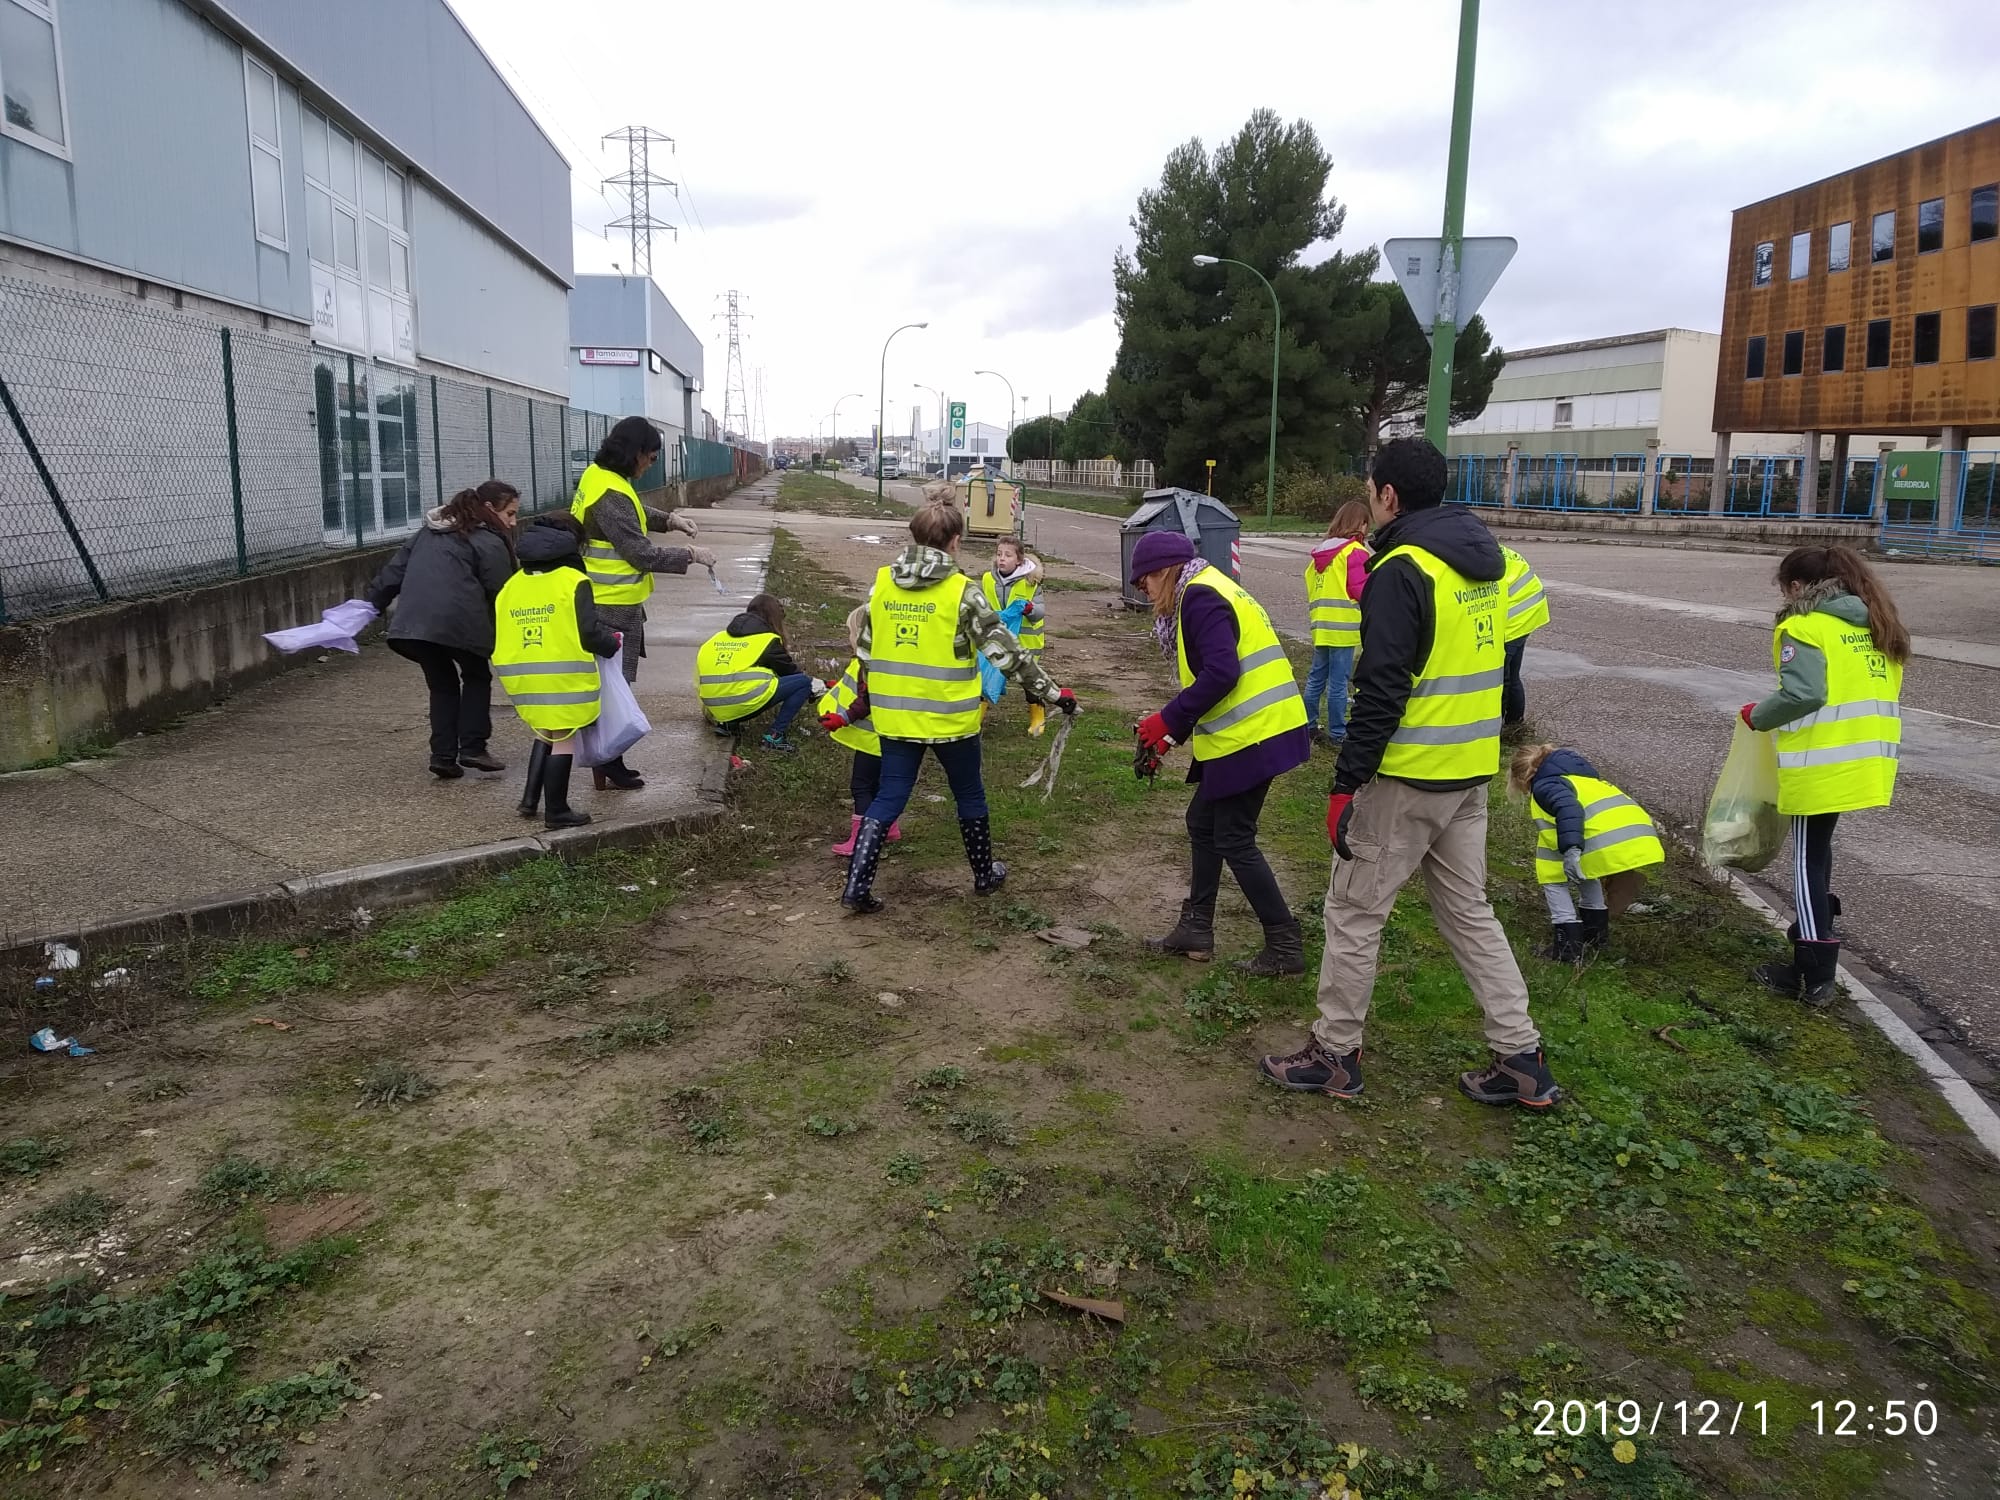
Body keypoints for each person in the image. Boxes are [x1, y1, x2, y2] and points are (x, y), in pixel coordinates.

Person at [1258, 437, 1562, 1109]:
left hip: (1407, 777)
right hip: (1468, 775)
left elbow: (1383, 689)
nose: (1369, 499)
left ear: (1389, 495)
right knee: (1468, 914)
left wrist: (1346, 783)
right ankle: (1521, 1057)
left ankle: (1335, 1055)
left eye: (1371, 488)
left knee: (1354, 913)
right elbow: (1508, 671)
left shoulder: (1404, 569)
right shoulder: (1487, 563)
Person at [839, 501, 1077, 915]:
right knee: (968, 792)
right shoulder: (962, 592)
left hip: (895, 715)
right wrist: (1054, 694)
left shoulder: (882, 585)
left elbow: (864, 650)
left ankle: (856, 886)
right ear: (955, 541)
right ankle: (984, 874)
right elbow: (1008, 655)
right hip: (952, 719)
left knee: (890, 794)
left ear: (915, 537)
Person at [1133, 533, 1311, 974]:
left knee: (1233, 836)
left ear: (1163, 572)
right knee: (1203, 823)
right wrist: (1174, 734)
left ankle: (1285, 945)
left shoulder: (1199, 599)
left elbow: (1221, 673)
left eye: (1144, 583)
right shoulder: (1207, 586)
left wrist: (1168, 720)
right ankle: (1196, 927)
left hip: (1254, 734)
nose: (1144, 592)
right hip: (1252, 731)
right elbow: (1213, 678)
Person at [1740, 544, 1908, 1007]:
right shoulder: (1877, 626)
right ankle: (1810, 948)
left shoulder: (1805, 627)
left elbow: (1804, 694)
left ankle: (1815, 972)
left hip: (1821, 763)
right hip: (1867, 761)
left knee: (1805, 863)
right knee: (1817, 856)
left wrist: (1759, 715)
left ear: (1797, 587)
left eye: (1785, 588)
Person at [572, 415, 716, 789]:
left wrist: (670, 520)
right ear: (635, 453)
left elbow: (632, 514)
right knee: (614, 689)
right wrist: (689, 555)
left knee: (613, 686)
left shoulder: (600, 478)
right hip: (610, 604)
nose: (651, 465)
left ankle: (609, 760)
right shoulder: (610, 492)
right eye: (651, 457)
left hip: (613, 600)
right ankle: (608, 760)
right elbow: (638, 552)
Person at [366, 481, 520, 780]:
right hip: (459, 624)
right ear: (489, 509)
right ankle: (473, 747)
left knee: (442, 685)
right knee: (476, 675)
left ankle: (443, 756)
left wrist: (368, 608)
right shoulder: (488, 540)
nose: (513, 522)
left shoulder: (427, 532)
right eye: (510, 513)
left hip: (413, 626)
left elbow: (392, 573)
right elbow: (502, 592)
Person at [493, 515, 623, 830]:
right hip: (564, 675)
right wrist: (611, 645)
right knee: (564, 738)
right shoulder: (572, 581)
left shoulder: (512, 585)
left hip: (521, 677)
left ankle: (529, 801)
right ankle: (557, 810)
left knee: (546, 733)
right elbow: (589, 633)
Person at [1508, 743, 1664, 962]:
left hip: (1606, 840)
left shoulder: (1545, 785)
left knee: (1554, 883)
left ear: (1522, 778)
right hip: (1634, 835)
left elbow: (1569, 810)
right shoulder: (1584, 780)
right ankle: (1595, 940)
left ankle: (1567, 950)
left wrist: (1572, 849)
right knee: (1586, 872)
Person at [818, 605, 902, 855]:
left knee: (861, 786)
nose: (848, 638)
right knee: (881, 785)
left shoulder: (868, 662)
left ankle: (861, 839)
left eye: (850, 633)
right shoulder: (890, 658)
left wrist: (842, 718)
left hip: (870, 738)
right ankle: (889, 827)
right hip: (890, 735)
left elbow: (867, 699)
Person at [694, 592, 814, 752]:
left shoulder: (717, 638)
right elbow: (791, 674)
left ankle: (728, 724)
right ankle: (775, 736)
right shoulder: (766, 640)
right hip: (739, 702)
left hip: (714, 708)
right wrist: (816, 687)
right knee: (803, 683)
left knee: (736, 679)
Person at [1303, 499, 1371, 748]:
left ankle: (1309, 726)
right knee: (1339, 682)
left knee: (1316, 677)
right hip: (1344, 627)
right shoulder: (1355, 552)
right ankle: (1337, 732)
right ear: (1360, 524)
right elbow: (1361, 589)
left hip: (1321, 625)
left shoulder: (1320, 552)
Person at [981, 537, 1048, 735]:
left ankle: (1038, 717)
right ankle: (975, 718)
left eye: (1008, 555)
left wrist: (1030, 609)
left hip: (1025, 643)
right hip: (995, 640)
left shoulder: (1031, 582)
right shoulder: (987, 579)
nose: (1002, 559)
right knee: (984, 679)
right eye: (999, 554)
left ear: (1019, 560)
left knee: (1028, 682)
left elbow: (1040, 611)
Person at [1499, 543, 1549, 736]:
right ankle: (1515, 726)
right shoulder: (1485, 545)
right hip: (1530, 606)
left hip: (1517, 613)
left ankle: (1499, 732)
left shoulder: (1470, 553)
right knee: (1511, 674)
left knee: (1499, 678)